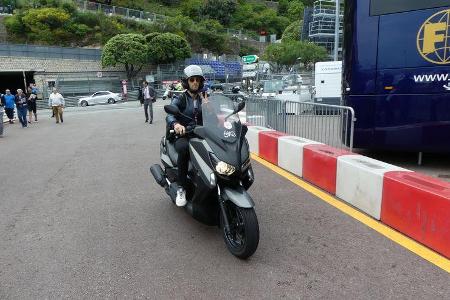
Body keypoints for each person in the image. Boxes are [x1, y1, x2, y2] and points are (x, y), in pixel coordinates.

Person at [166, 65, 209, 207]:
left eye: (198, 80)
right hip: (184, 135)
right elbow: (170, 114)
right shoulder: (180, 98)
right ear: (186, 82)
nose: (195, 82)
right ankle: (181, 188)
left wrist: (209, 107)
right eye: (192, 80)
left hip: (201, 133)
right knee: (184, 150)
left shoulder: (205, 97)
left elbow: (214, 116)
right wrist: (176, 125)